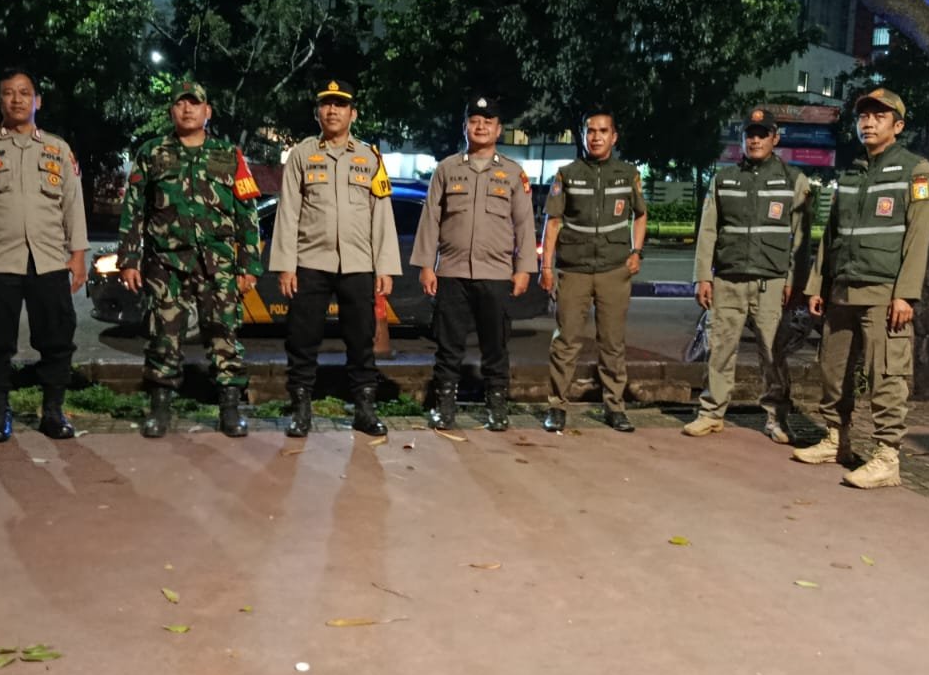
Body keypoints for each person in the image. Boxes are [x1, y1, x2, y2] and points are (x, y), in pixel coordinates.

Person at [792, 88, 929, 488]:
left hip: (884, 293)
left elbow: (919, 236)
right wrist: (818, 284)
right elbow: (831, 234)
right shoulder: (851, 173)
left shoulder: (915, 171)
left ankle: (887, 456)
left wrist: (906, 293)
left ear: (898, 125)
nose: (868, 123)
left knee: (885, 374)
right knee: (832, 368)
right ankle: (836, 440)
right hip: (842, 290)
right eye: (863, 116)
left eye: (879, 116)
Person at [116, 79, 263, 439]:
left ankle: (230, 409)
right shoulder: (151, 152)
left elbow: (247, 212)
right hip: (166, 265)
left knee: (224, 335)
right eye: (180, 103)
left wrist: (249, 265)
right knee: (163, 337)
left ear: (207, 111)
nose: (187, 109)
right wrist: (130, 258)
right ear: (172, 110)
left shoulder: (229, 155)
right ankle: (160, 407)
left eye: (194, 103)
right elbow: (134, 208)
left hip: (218, 264)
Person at [0, 68, 87, 444]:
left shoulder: (57, 149)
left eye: (24, 93)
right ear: (0, 101)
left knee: (57, 339)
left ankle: (53, 412)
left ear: (37, 101)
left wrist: (78, 254)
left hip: (49, 259)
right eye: (9, 93)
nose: (17, 99)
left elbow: (72, 204)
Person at [269, 79, 401, 438]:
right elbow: (288, 212)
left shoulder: (370, 158)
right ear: (318, 112)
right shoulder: (301, 155)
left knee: (361, 339)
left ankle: (364, 409)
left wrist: (385, 267)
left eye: (340, 105)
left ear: (352, 113)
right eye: (326, 104)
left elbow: (381, 214)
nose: (332, 111)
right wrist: (286, 265)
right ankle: (301, 410)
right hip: (310, 262)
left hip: (358, 264)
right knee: (302, 338)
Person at [682, 107, 814, 442]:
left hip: (772, 282)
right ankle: (711, 413)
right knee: (720, 349)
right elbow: (708, 231)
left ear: (775, 138)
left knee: (773, 352)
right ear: (741, 139)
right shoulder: (724, 179)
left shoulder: (793, 180)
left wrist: (795, 282)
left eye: (762, 134)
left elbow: (802, 238)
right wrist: (702, 276)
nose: (755, 140)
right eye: (749, 135)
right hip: (728, 279)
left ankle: (776, 418)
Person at [412, 93, 536, 432]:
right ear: (465, 126)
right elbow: (431, 219)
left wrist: (524, 269)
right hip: (451, 272)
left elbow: (524, 224)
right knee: (448, 346)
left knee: (495, 345)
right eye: (474, 121)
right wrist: (426, 265)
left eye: (487, 122)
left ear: (499, 129)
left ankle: (496, 407)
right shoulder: (447, 169)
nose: (480, 127)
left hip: (496, 274)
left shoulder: (513, 173)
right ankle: (444, 407)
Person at [540, 107, 647, 433]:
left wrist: (636, 251)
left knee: (612, 342)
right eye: (591, 131)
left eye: (602, 131)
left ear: (614, 137)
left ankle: (614, 407)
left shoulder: (627, 174)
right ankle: (557, 406)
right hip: (574, 269)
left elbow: (640, 214)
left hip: (614, 270)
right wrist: (546, 266)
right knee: (566, 341)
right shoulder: (567, 174)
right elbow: (553, 222)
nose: (596, 137)